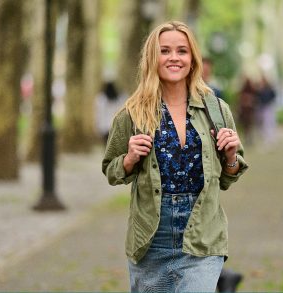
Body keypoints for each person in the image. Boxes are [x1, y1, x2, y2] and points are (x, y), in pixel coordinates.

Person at [102, 20, 248, 292]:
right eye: (165, 51)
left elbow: (229, 176)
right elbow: (111, 169)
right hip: (151, 238)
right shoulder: (133, 113)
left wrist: (229, 156)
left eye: (182, 51)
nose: (174, 58)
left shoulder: (215, 109)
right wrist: (130, 158)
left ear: (193, 59)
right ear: (152, 57)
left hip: (203, 235)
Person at [255, 74, 277, 149]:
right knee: (262, 124)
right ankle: (266, 139)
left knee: (268, 123)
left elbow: (273, 96)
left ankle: (269, 139)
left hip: (268, 107)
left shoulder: (269, 89)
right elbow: (257, 97)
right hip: (262, 108)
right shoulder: (260, 89)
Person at [238, 77, 257, 146]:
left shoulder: (252, 90)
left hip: (249, 112)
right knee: (246, 127)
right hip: (245, 112)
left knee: (249, 127)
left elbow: (255, 100)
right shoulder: (244, 90)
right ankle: (247, 140)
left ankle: (249, 140)